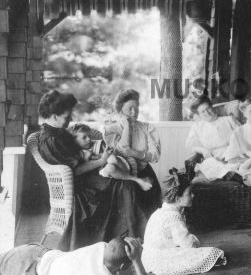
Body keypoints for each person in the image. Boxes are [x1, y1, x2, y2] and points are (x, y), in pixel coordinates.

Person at [37, 90, 145, 251]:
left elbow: (80, 149)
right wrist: (101, 161)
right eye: (67, 117)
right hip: (77, 185)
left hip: (86, 175)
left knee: (126, 176)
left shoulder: (59, 132)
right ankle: (126, 239)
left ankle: (130, 236)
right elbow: (74, 171)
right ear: (54, 116)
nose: (71, 120)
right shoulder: (51, 140)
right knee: (123, 184)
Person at [0, 236, 155, 275]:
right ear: (122, 266)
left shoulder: (101, 247)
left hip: (32, 253)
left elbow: (116, 250)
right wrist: (137, 261)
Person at [141, 169, 226, 275]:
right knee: (210, 253)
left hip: (150, 255)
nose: (193, 196)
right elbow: (188, 244)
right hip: (158, 258)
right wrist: (195, 241)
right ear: (178, 199)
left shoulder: (164, 211)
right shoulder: (172, 216)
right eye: (189, 193)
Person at [105, 89, 162, 217]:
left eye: (137, 108)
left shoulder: (147, 127)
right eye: (130, 108)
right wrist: (126, 126)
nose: (134, 112)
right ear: (120, 111)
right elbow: (115, 152)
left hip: (143, 171)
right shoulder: (112, 129)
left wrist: (133, 153)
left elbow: (155, 156)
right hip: (120, 173)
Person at [70, 123, 153, 191]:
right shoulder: (77, 153)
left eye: (89, 136)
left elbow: (110, 154)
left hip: (119, 164)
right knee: (110, 168)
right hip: (104, 171)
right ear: (74, 140)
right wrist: (89, 157)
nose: (89, 139)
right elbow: (80, 169)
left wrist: (104, 154)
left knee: (112, 158)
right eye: (84, 137)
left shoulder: (97, 143)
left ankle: (134, 178)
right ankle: (137, 180)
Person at [186, 95, 241, 181]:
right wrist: (203, 150)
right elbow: (190, 145)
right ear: (199, 114)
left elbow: (244, 138)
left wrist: (232, 154)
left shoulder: (229, 120)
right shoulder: (198, 127)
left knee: (239, 163)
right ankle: (231, 175)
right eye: (203, 111)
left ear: (212, 107)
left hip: (234, 156)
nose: (207, 113)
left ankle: (232, 174)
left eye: (208, 108)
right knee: (208, 165)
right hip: (214, 159)